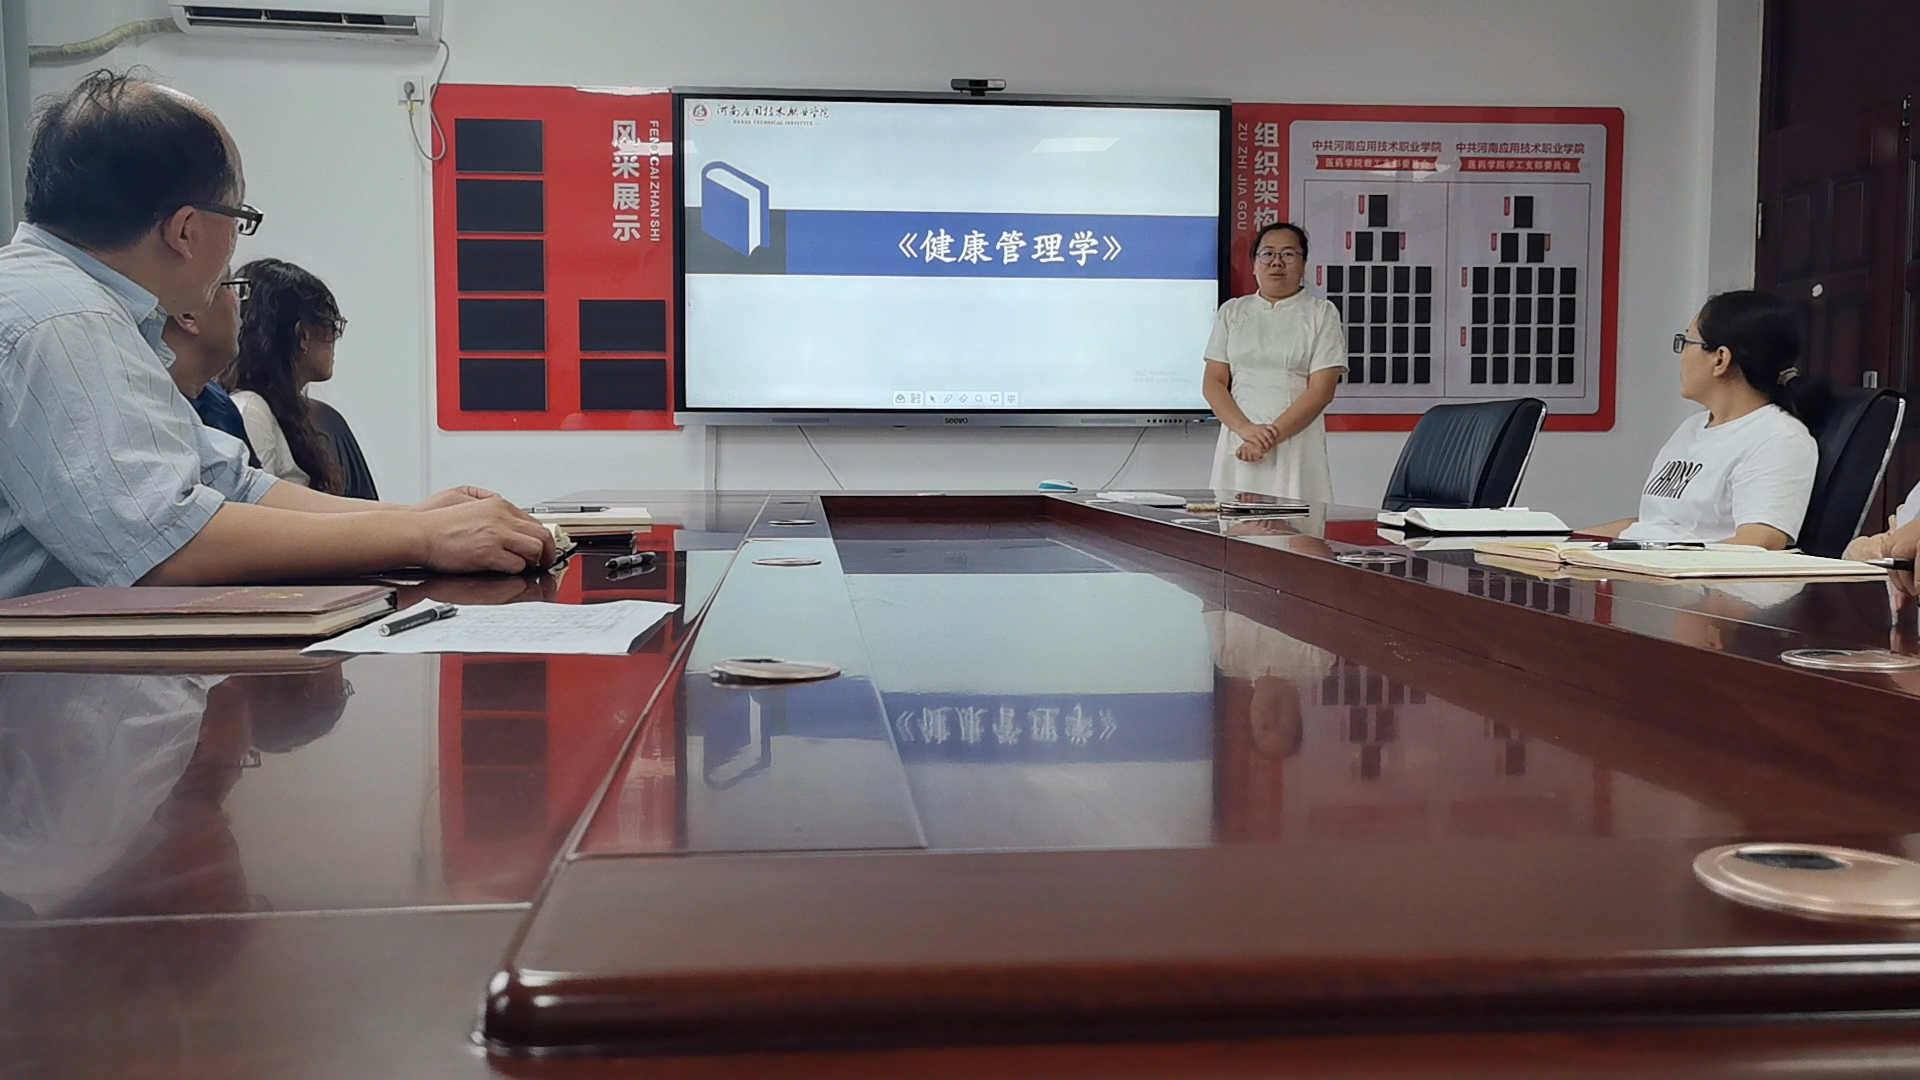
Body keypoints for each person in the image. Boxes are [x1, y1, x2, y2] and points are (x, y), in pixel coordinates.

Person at [0, 70, 553, 597]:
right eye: (238, 217)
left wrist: (416, 518)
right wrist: (422, 537)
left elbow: (231, 487)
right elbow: (166, 548)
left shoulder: (79, 306)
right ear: (186, 230)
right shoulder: (62, 320)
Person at [1585, 290, 1823, 549]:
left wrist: (1659, 559)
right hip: (1646, 565)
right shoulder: (1692, 427)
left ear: (1720, 359)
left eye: (1687, 342)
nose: (1682, 355)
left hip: (1688, 573)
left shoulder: (1779, 438)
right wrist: (1564, 542)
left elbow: (1759, 541)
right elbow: (1654, 526)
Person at [1201, 222, 1345, 502]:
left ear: (1304, 265)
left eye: (1288, 254)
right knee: (1235, 523)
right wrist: (1246, 431)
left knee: (1295, 524)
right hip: (1239, 441)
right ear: (1254, 265)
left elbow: (1321, 391)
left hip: (1295, 443)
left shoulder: (1321, 313)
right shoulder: (1232, 312)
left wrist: (1269, 437)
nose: (1276, 263)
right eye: (1267, 254)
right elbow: (1213, 383)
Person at [225, 257, 356, 494]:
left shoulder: (289, 412)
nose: (335, 339)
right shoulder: (252, 410)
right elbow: (257, 506)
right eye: (331, 325)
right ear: (303, 334)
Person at [161, 272, 256, 465]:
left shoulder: (217, 400)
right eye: (229, 285)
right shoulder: (151, 408)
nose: (239, 300)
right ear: (187, 315)